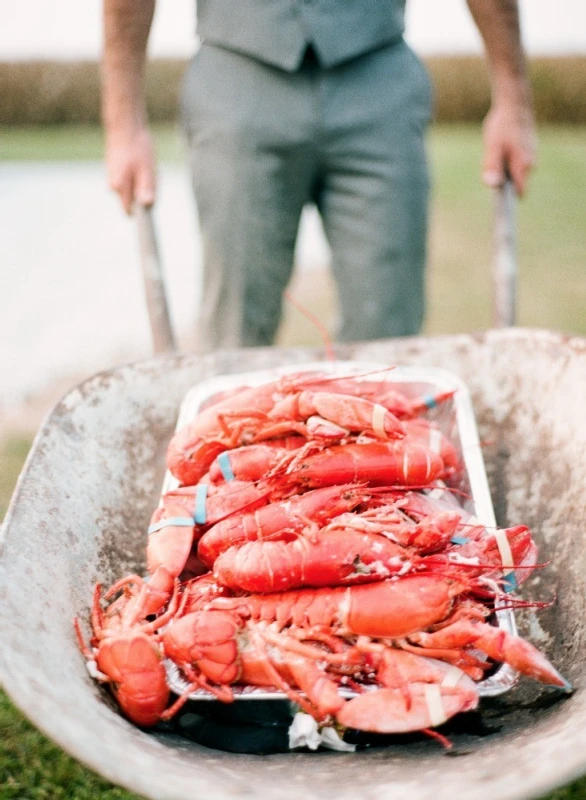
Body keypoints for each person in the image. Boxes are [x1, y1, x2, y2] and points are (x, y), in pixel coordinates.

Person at [103, 0, 535, 350]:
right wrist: (123, 123)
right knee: (234, 331)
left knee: (388, 335)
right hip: (235, 80)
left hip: (377, 75)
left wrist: (513, 103)